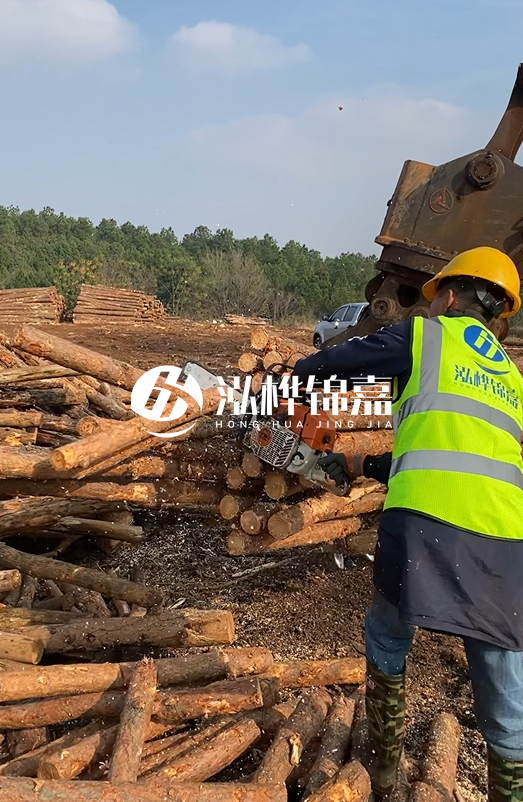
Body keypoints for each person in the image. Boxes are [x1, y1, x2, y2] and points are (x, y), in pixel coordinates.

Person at [292, 247, 523, 801]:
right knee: (505, 690)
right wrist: (357, 464)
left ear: (450, 294)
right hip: (503, 542)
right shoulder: (510, 380)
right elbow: (450, 451)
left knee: (387, 634)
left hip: (424, 526)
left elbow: (338, 362)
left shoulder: (425, 336)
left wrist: (296, 376)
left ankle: (383, 772)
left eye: (434, 297)